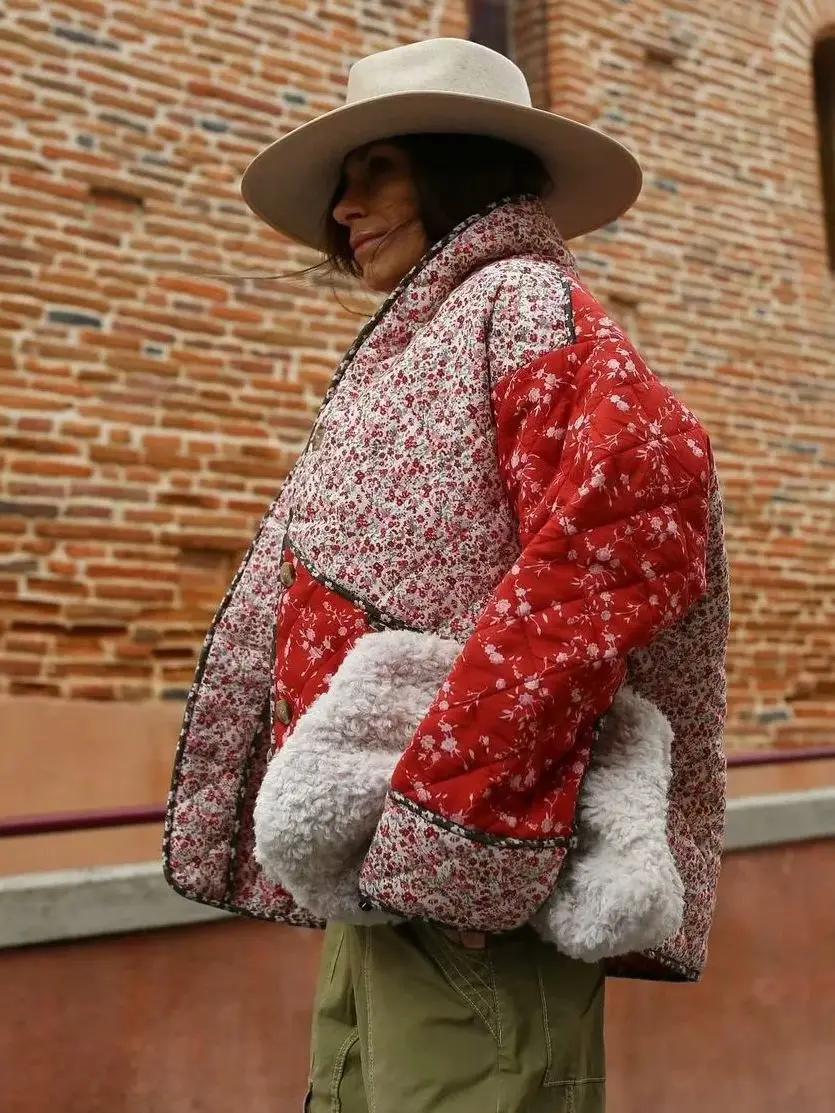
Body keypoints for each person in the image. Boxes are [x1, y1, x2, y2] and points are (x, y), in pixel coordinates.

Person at [164, 37, 729, 1113]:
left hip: (473, 877)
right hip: (391, 876)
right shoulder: (430, 335)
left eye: (375, 168)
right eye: (343, 180)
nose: (343, 208)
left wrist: (460, 822)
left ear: (455, 161)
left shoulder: (520, 300)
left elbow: (633, 526)